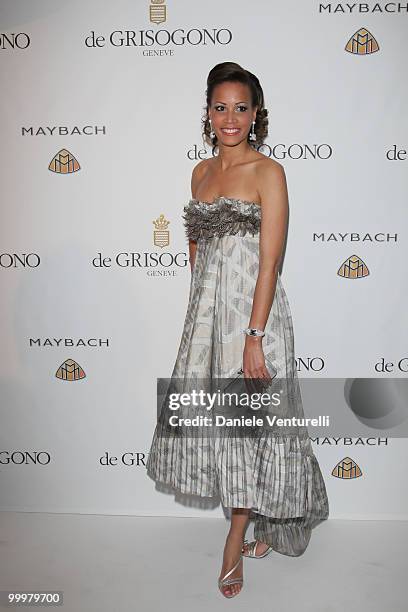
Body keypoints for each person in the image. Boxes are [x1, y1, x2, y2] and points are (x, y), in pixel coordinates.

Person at [146, 61, 329, 599]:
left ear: (256, 114)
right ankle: (249, 523)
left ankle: (235, 538)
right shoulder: (200, 174)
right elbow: (198, 251)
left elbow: (269, 263)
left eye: (241, 108)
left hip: (255, 322)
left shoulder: (268, 172)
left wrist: (253, 336)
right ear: (207, 114)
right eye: (220, 107)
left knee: (250, 430)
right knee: (221, 428)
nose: (230, 118)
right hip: (209, 321)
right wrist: (199, 314)